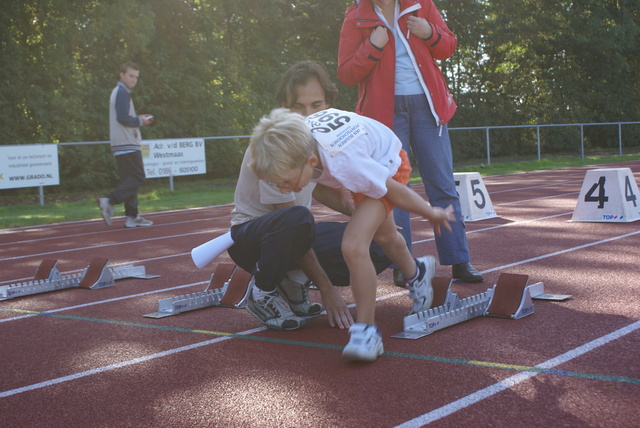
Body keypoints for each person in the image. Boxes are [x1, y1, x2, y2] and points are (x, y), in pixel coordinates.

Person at [249, 107, 455, 362]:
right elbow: (320, 186)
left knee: (353, 245)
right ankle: (418, 273)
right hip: (367, 156)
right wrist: (358, 213)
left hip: (389, 162)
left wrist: (430, 211)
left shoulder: (345, 162)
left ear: (310, 163)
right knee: (386, 237)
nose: (284, 190)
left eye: (287, 183)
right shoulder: (302, 150)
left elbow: (392, 190)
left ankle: (366, 332)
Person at [227, 60, 390, 333]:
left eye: (316, 105)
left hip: (291, 232)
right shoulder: (273, 144)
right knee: (298, 219)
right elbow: (291, 221)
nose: (307, 115)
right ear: (283, 107)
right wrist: (327, 291)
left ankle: (293, 281)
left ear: (328, 104)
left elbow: (321, 186)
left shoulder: (321, 140)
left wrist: (370, 219)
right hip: (250, 240)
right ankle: (262, 292)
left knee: (378, 243)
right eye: (298, 107)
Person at [337, 0, 484, 283]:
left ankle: (459, 260)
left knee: (442, 185)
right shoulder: (355, 16)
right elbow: (346, 74)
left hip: (428, 108)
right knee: (394, 190)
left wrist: (430, 32)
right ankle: (402, 267)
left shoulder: (420, 5)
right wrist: (373, 46)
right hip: (384, 115)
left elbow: (448, 47)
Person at [98, 61, 154, 228]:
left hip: (121, 143)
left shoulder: (120, 92)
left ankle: (132, 216)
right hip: (126, 143)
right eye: (131, 76)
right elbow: (122, 118)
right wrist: (141, 121)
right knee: (138, 177)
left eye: (136, 77)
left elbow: (124, 116)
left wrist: (138, 118)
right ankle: (109, 201)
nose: (134, 80)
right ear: (121, 75)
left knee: (129, 181)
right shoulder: (121, 92)